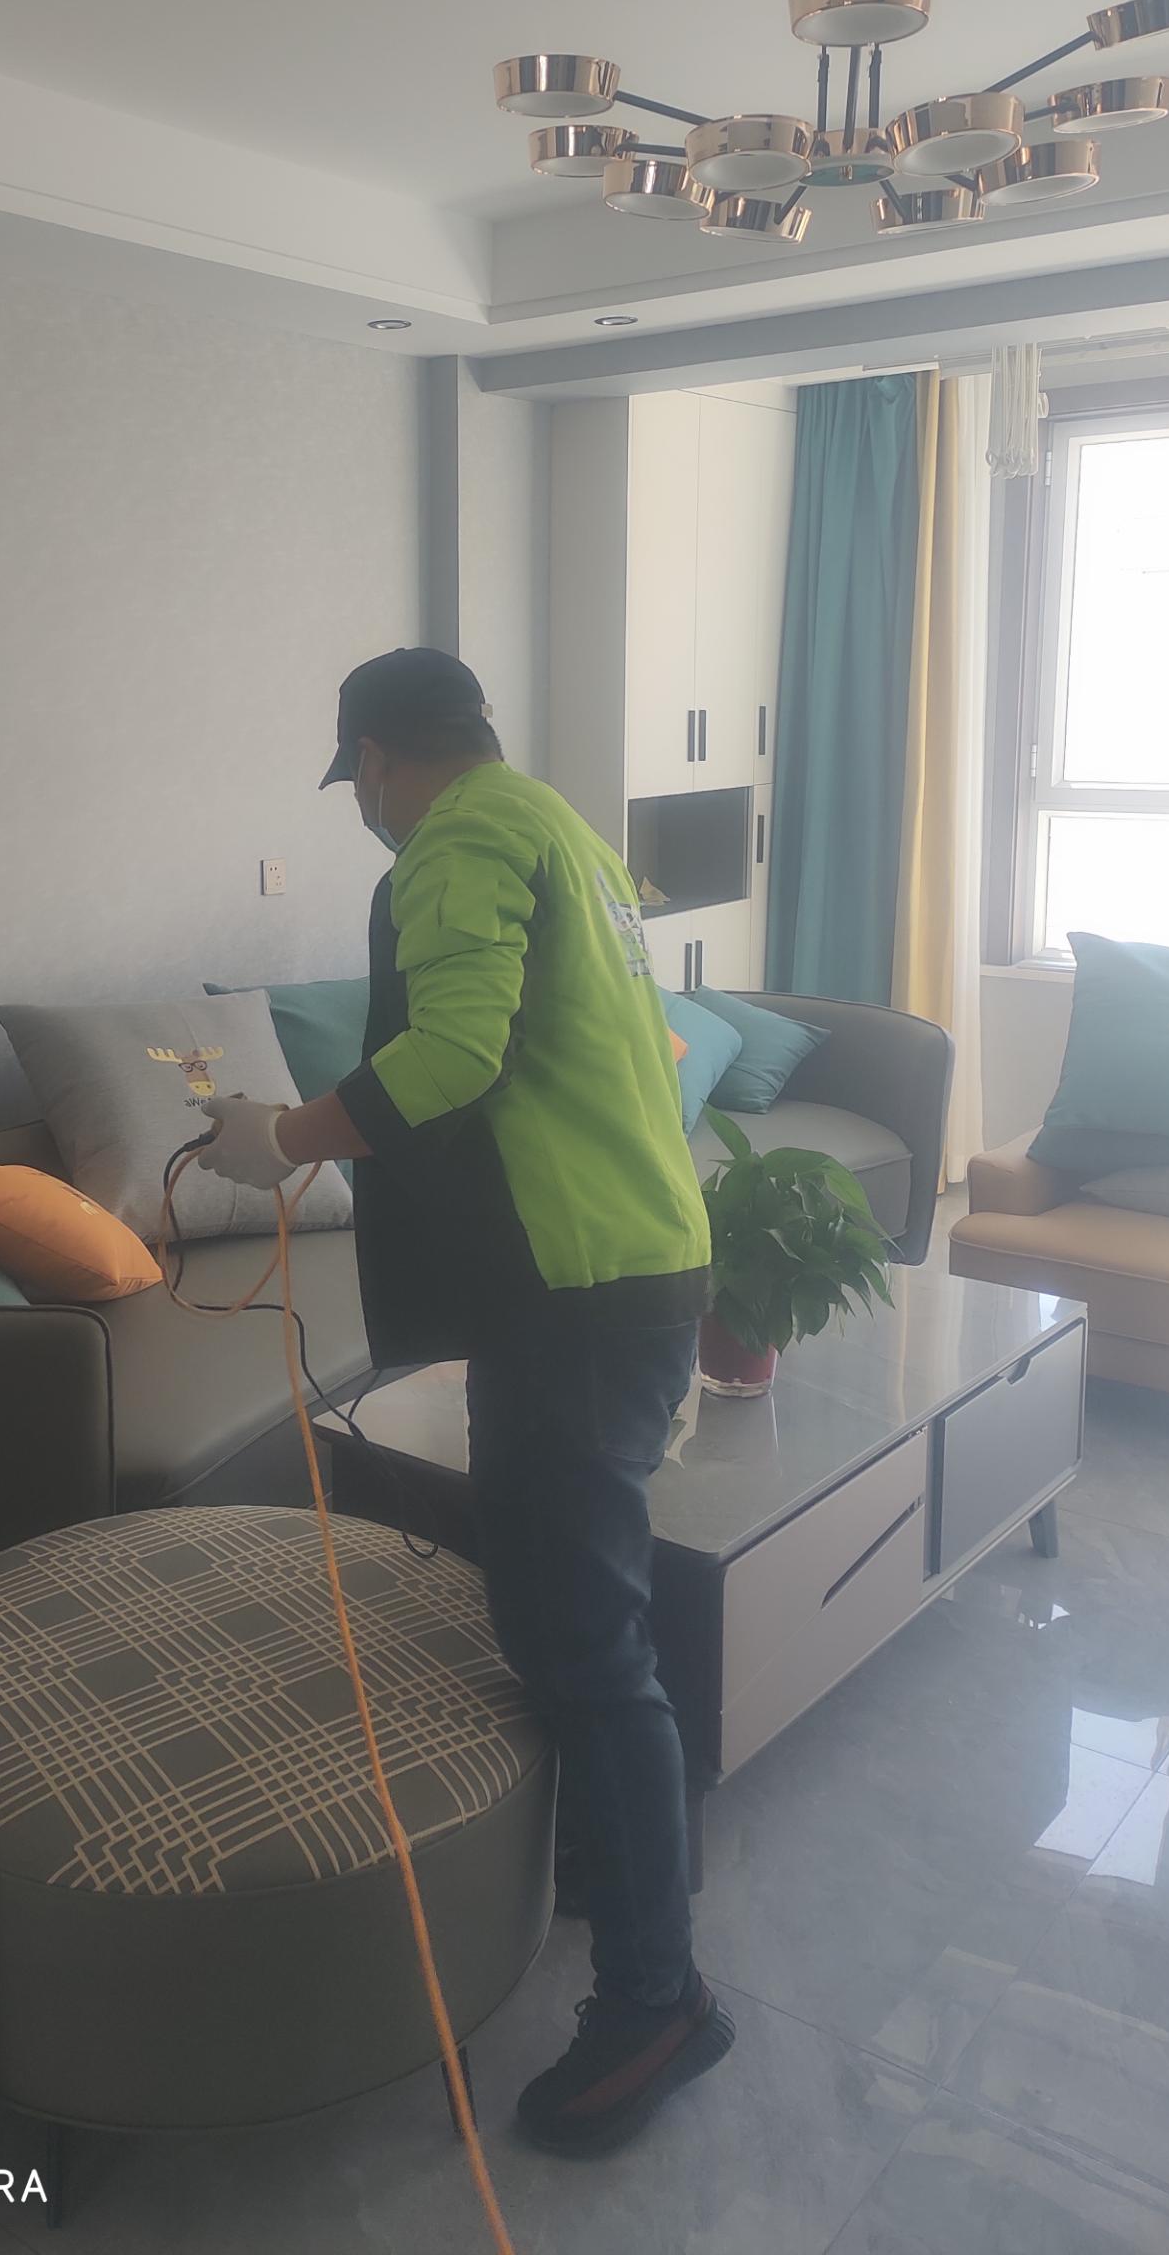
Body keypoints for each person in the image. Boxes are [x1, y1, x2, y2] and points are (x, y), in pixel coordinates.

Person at [197, 646, 734, 2156]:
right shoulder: (559, 824)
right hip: (633, 1259)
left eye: (360, 780)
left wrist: (278, 1137)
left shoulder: (455, 840)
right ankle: (611, 1879)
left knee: (585, 1645)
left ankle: (657, 2000)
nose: (366, 807)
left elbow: (449, 1056)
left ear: (376, 758)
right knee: (578, 1614)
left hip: (574, 1289)